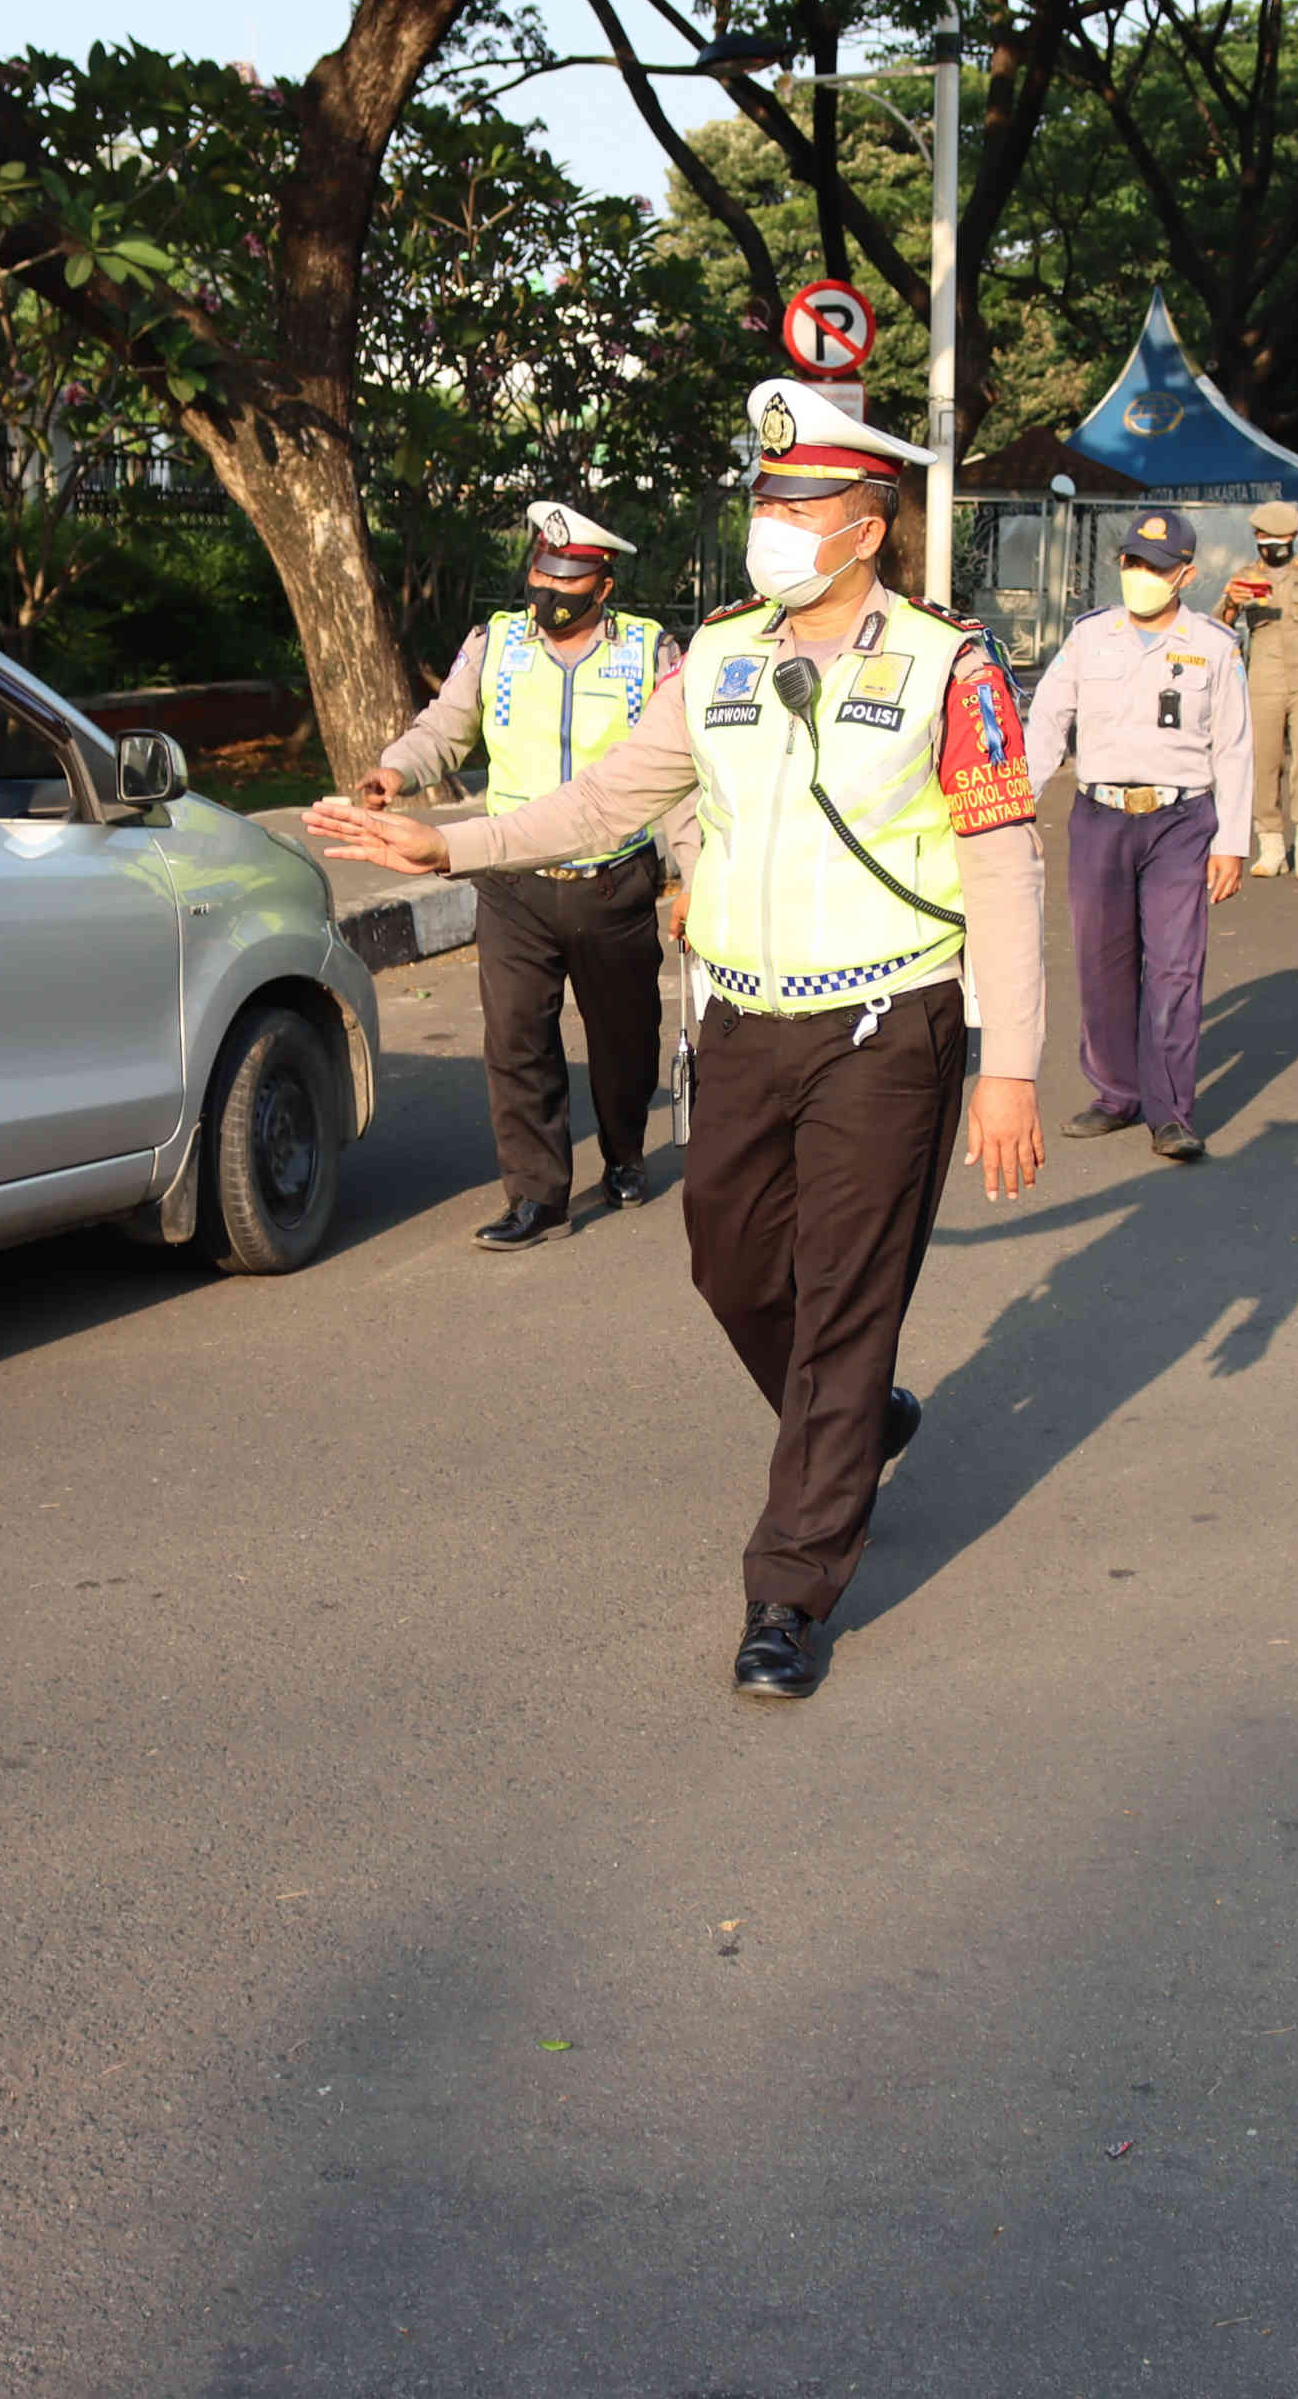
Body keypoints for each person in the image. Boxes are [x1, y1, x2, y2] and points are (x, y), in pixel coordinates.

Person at [306, 379, 1047, 1703]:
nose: (774, 522)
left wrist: (1013, 1066)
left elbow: (1001, 865)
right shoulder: (716, 657)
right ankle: (856, 1422)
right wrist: (449, 837)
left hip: (890, 1024)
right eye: (763, 499)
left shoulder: (950, 663)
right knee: (730, 1266)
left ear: (867, 524)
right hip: (747, 1021)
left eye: (800, 501)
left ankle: (791, 1585)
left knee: (843, 1294)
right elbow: (603, 800)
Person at [356, 501, 685, 1249]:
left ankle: (625, 1151)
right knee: (516, 1042)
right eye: (540, 574)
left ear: (603, 586)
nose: (548, 592)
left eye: (566, 580)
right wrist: (396, 770)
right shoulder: (495, 642)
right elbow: (446, 726)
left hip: (611, 881)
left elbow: (682, 776)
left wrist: (693, 873)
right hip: (510, 881)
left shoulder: (650, 652)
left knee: (625, 1039)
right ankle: (538, 1198)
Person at [1024, 507, 1249, 1161]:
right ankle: (1115, 1093)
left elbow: (1234, 747)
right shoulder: (1090, 638)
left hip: (1181, 823)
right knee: (1101, 962)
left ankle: (1170, 1111)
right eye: (1131, 562)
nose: (1141, 575)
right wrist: (1014, 811)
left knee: (1174, 968)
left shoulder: (1213, 646)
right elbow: (1047, 724)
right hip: (1100, 817)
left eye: (1156, 567)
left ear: (1186, 574)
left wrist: (1232, 840)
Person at [1219, 497, 1298, 878]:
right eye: (1264, 536)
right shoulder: (1245, 577)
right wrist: (1230, 602)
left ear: (1293, 536)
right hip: (1263, 682)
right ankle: (1270, 844)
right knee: (1263, 762)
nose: (1271, 542)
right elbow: (1220, 630)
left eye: (1278, 536)